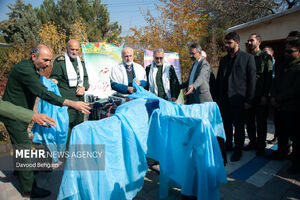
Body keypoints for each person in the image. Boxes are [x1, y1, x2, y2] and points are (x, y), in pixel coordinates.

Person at [1, 44, 90, 198]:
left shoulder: (31, 67)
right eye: (46, 60)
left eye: (49, 60)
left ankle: (20, 171)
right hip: (14, 115)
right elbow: (42, 92)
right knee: (24, 150)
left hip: (22, 113)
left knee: (19, 146)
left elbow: (41, 85)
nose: (48, 64)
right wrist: (70, 103)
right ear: (34, 56)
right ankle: (28, 188)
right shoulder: (25, 70)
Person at [215, 32, 256, 162]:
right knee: (226, 125)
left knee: (238, 127)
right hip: (224, 100)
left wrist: (249, 99)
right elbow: (219, 79)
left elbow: (252, 81)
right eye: (225, 43)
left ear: (237, 43)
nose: (226, 45)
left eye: (229, 43)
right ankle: (228, 145)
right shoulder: (224, 59)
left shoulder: (247, 58)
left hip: (239, 99)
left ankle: (238, 149)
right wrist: (217, 97)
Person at [50, 39, 89, 142]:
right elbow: (54, 77)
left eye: (77, 50)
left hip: (80, 100)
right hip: (67, 101)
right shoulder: (60, 61)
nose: (74, 52)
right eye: (72, 49)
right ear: (67, 48)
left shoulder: (81, 62)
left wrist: (84, 87)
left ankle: (76, 151)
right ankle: (65, 153)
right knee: (66, 128)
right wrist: (53, 81)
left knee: (79, 126)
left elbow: (85, 78)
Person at [270, 40, 300, 173]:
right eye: (285, 51)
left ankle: (296, 162)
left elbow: (296, 89)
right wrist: (273, 96)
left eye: (290, 51)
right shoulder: (282, 65)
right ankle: (281, 152)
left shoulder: (298, 67)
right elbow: (275, 81)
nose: (286, 53)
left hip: (293, 107)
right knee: (282, 133)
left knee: (295, 136)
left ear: (298, 52)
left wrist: (279, 98)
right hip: (279, 106)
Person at [244, 33, 273, 156]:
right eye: (249, 41)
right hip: (249, 95)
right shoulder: (246, 57)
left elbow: (268, 77)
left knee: (261, 122)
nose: (250, 43)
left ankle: (261, 145)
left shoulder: (266, 57)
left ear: (259, 42)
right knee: (249, 121)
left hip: (260, 95)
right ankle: (252, 142)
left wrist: (265, 95)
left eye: (252, 40)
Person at [263, 46, 278, 144]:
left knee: (277, 118)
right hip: (266, 95)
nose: (264, 55)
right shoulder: (263, 63)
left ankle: (277, 136)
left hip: (274, 95)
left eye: (266, 53)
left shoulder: (276, 64)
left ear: (272, 53)